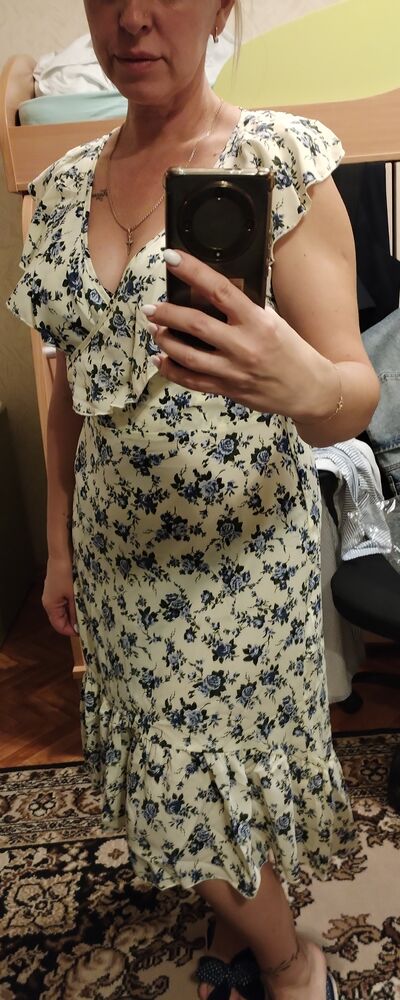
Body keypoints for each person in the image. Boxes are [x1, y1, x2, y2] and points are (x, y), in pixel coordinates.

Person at [7, 1, 380, 998]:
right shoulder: (57, 189)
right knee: (173, 773)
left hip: (239, 562)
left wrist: (305, 384)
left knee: (207, 779)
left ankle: (293, 963)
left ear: (219, 7)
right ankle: (247, 913)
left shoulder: (279, 165)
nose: (132, 18)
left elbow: (352, 394)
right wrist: (59, 546)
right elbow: (69, 396)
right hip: (116, 557)